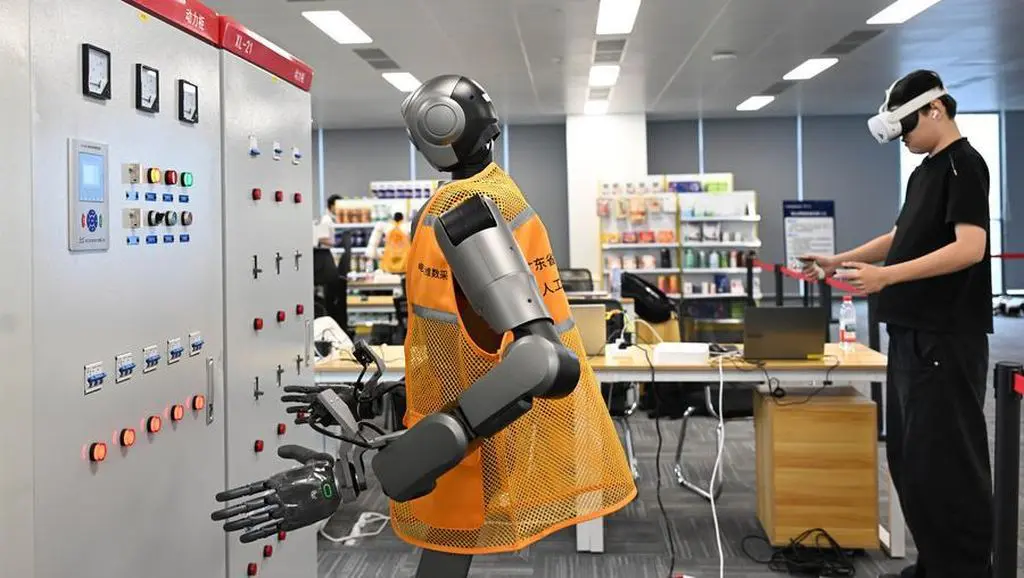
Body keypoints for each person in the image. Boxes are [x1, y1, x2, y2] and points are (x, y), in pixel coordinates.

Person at [394, 74, 637, 577]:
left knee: (449, 541)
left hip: (466, 408)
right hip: (467, 399)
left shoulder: (463, 211)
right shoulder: (498, 194)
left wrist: (453, 429)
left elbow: (542, 358)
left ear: (439, 133)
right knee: (450, 546)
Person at [801, 70, 993, 578]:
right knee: (911, 460)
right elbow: (899, 235)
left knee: (948, 462)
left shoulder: (965, 165)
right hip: (910, 334)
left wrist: (887, 277)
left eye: (907, 127)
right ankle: (934, 564)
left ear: (936, 110)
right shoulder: (924, 172)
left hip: (946, 337)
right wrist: (837, 260)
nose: (903, 138)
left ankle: (962, 570)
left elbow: (970, 248)